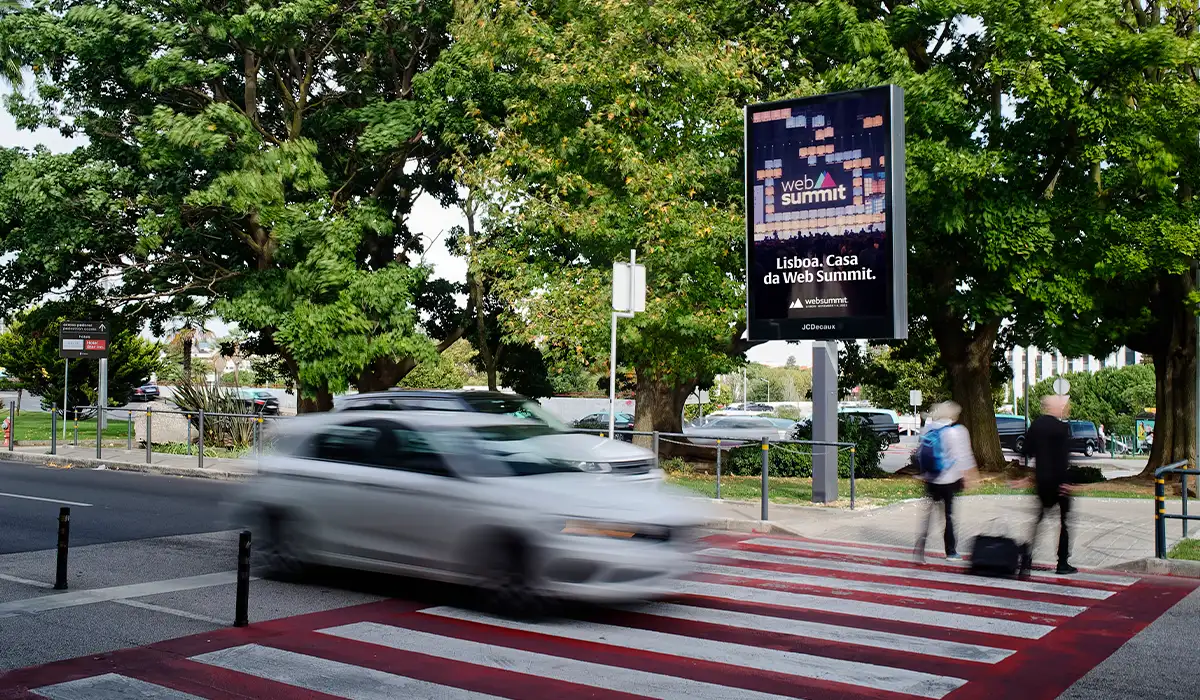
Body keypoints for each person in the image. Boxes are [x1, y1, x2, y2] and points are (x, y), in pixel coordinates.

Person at [1019, 394, 1076, 575]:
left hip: (1042, 480)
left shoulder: (1036, 425)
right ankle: (1062, 562)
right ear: (1056, 407)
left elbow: (1025, 450)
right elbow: (1063, 458)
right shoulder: (1061, 428)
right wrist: (1066, 481)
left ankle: (1026, 558)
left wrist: (1025, 476)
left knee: (1039, 519)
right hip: (1059, 482)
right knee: (1064, 522)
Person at [914, 401, 977, 563]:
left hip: (931, 478)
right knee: (948, 515)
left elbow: (921, 452)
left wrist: (924, 474)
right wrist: (971, 476)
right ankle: (951, 551)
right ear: (953, 415)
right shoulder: (957, 431)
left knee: (928, 515)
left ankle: (919, 549)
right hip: (949, 479)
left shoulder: (929, 428)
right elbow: (964, 457)